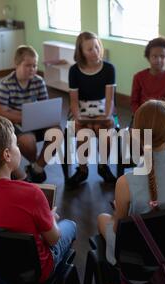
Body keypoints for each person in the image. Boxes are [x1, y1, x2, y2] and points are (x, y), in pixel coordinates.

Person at [0, 116, 76, 283]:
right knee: (70, 226)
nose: (18, 148)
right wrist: (51, 217)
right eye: (15, 144)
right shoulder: (32, 193)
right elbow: (54, 239)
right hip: (32, 274)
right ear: (7, 155)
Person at [97, 100, 165, 266]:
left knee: (103, 218)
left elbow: (117, 228)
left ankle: (115, 277)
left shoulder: (125, 183)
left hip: (138, 258)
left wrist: (120, 210)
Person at [0, 45, 57, 183]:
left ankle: (37, 167)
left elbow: (44, 106)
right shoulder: (6, 84)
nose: (32, 69)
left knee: (56, 133)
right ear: (16, 64)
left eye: (35, 65)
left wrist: (17, 112)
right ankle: (36, 163)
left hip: (34, 119)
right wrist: (25, 116)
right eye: (28, 65)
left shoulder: (39, 81)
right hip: (16, 123)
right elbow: (1, 112)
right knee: (28, 141)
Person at [67, 31, 117, 187]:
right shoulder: (74, 70)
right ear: (81, 52)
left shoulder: (109, 68)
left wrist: (107, 117)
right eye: (89, 49)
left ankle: (103, 166)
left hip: (103, 109)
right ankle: (82, 170)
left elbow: (110, 99)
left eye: (97, 47)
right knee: (84, 134)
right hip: (81, 110)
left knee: (105, 133)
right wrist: (79, 118)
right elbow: (73, 102)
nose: (95, 51)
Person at [130, 36, 165, 122]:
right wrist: (140, 116)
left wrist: (163, 119)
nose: (159, 60)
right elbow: (134, 102)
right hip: (143, 118)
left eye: (162, 56)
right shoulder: (139, 77)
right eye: (154, 56)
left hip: (164, 120)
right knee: (143, 135)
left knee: (154, 134)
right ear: (148, 58)